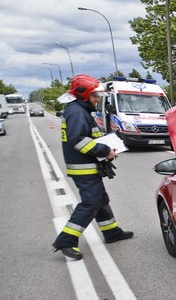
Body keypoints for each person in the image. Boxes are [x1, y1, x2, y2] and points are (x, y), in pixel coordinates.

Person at [52, 74, 133, 261]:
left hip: (87, 166)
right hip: (83, 167)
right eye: (94, 96)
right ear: (83, 95)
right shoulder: (77, 112)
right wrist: (105, 150)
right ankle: (66, 240)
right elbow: (79, 140)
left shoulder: (78, 110)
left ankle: (111, 232)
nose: (97, 100)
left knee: (101, 199)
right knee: (91, 203)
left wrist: (106, 150)